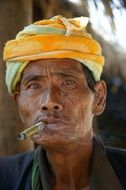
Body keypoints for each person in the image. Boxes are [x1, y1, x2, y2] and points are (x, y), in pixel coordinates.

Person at [1, 15, 126, 190]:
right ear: (18, 102)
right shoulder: (4, 177)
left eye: (68, 83)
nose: (50, 102)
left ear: (99, 98)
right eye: (34, 85)